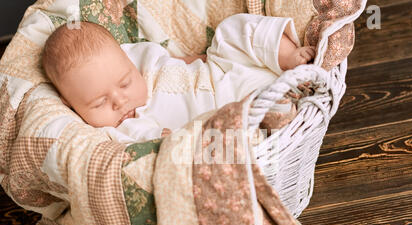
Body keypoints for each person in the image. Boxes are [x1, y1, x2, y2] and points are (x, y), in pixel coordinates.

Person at [42, 14, 315, 144]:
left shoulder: (132, 60)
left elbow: (171, 59)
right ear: (70, 105)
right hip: (226, 115)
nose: (119, 100)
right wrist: (162, 140)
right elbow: (144, 144)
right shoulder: (119, 128)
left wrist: (198, 60)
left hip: (222, 75)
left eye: (125, 83)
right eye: (99, 102)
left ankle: (289, 58)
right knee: (240, 139)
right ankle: (279, 107)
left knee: (231, 31)